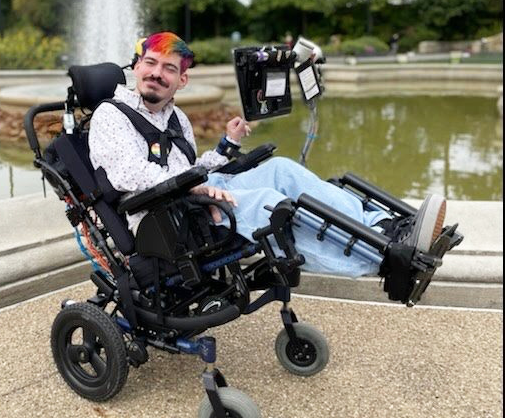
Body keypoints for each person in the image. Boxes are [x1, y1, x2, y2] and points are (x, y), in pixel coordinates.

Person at [88, 32, 446, 279]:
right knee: (266, 204)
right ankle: (384, 259)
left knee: (281, 171)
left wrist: (227, 145)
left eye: (169, 68)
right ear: (136, 66)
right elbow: (130, 175)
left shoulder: (175, 117)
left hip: (187, 193)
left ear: (182, 81)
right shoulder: (111, 115)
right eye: (151, 63)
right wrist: (192, 189)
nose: (156, 74)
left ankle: (382, 227)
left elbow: (190, 169)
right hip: (160, 216)